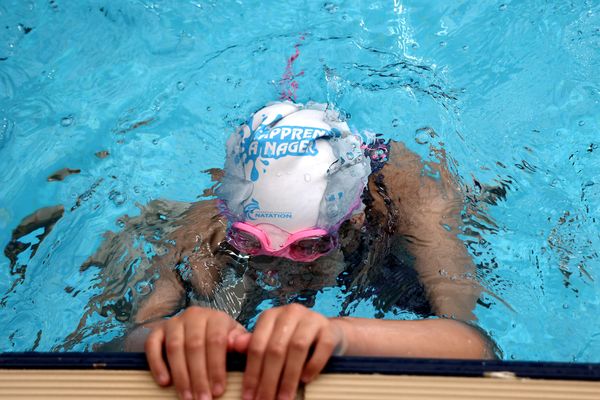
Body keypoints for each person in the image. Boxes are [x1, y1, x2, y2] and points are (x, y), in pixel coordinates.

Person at [115, 101, 496, 400]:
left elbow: (476, 346)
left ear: (353, 219)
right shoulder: (207, 224)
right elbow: (117, 344)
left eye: (309, 246)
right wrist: (170, 336)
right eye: (253, 243)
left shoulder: (414, 205)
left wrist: (340, 335)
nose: (279, 269)